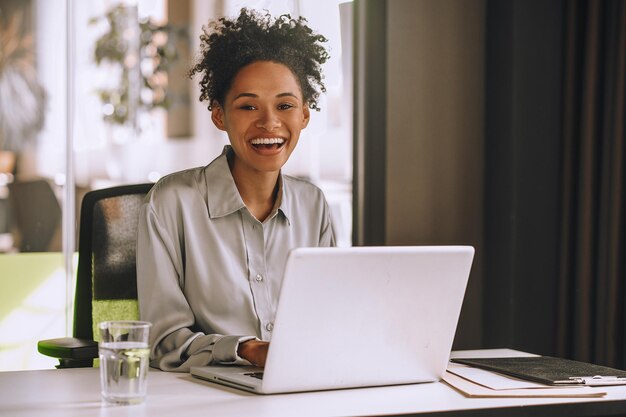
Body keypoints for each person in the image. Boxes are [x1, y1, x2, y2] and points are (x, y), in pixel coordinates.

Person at [136, 8, 335, 372]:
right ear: (219, 116)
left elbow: (326, 321)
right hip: (200, 396)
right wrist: (246, 349)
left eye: (285, 105)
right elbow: (163, 343)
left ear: (304, 115)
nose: (269, 122)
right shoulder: (170, 203)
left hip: (298, 390)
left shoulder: (313, 205)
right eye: (248, 106)